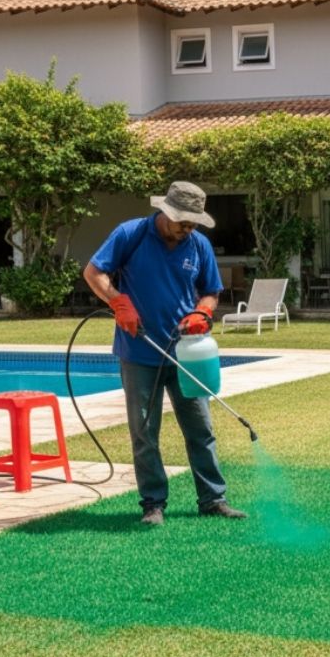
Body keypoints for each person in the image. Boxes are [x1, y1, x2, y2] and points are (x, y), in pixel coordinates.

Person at [83, 181, 247, 526]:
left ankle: (213, 499)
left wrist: (202, 313)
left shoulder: (198, 245)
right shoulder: (132, 234)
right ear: (166, 212)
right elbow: (94, 272)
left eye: (193, 223)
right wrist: (118, 302)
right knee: (145, 432)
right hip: (139, 351)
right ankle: (153, 504)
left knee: (200, 428)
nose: (188, 229)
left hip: (186, 353)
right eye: (183, 222)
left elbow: (210, 292)